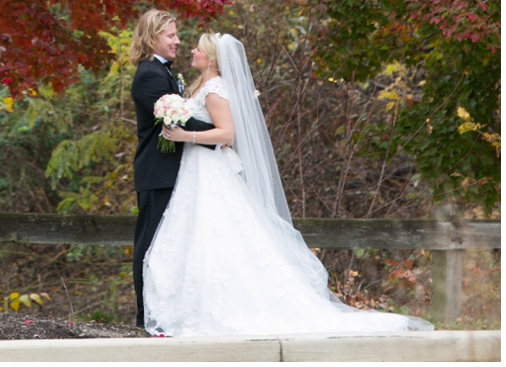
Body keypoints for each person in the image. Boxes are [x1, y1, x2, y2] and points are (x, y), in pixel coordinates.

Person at [143, 30, 432, 338]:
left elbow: (227, 134)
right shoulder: (204, 85)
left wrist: (186, 136)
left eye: (197, 49)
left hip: (209, 170)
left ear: (211, 59)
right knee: (201, 234)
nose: (192, 51)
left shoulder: (215, 88)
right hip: (197, 170)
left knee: (214, 232)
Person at [129, 9, 216, 330]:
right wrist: (219, 136)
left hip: (175, 171)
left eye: (177, 35)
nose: (178, 41)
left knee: (170, 244)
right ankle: (144, 316)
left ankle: (166, 312)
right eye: (171, 36)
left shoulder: (165, 73)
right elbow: (178, 120)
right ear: (152, 37)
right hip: (157, 171)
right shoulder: (148, 75)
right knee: (149, 244)